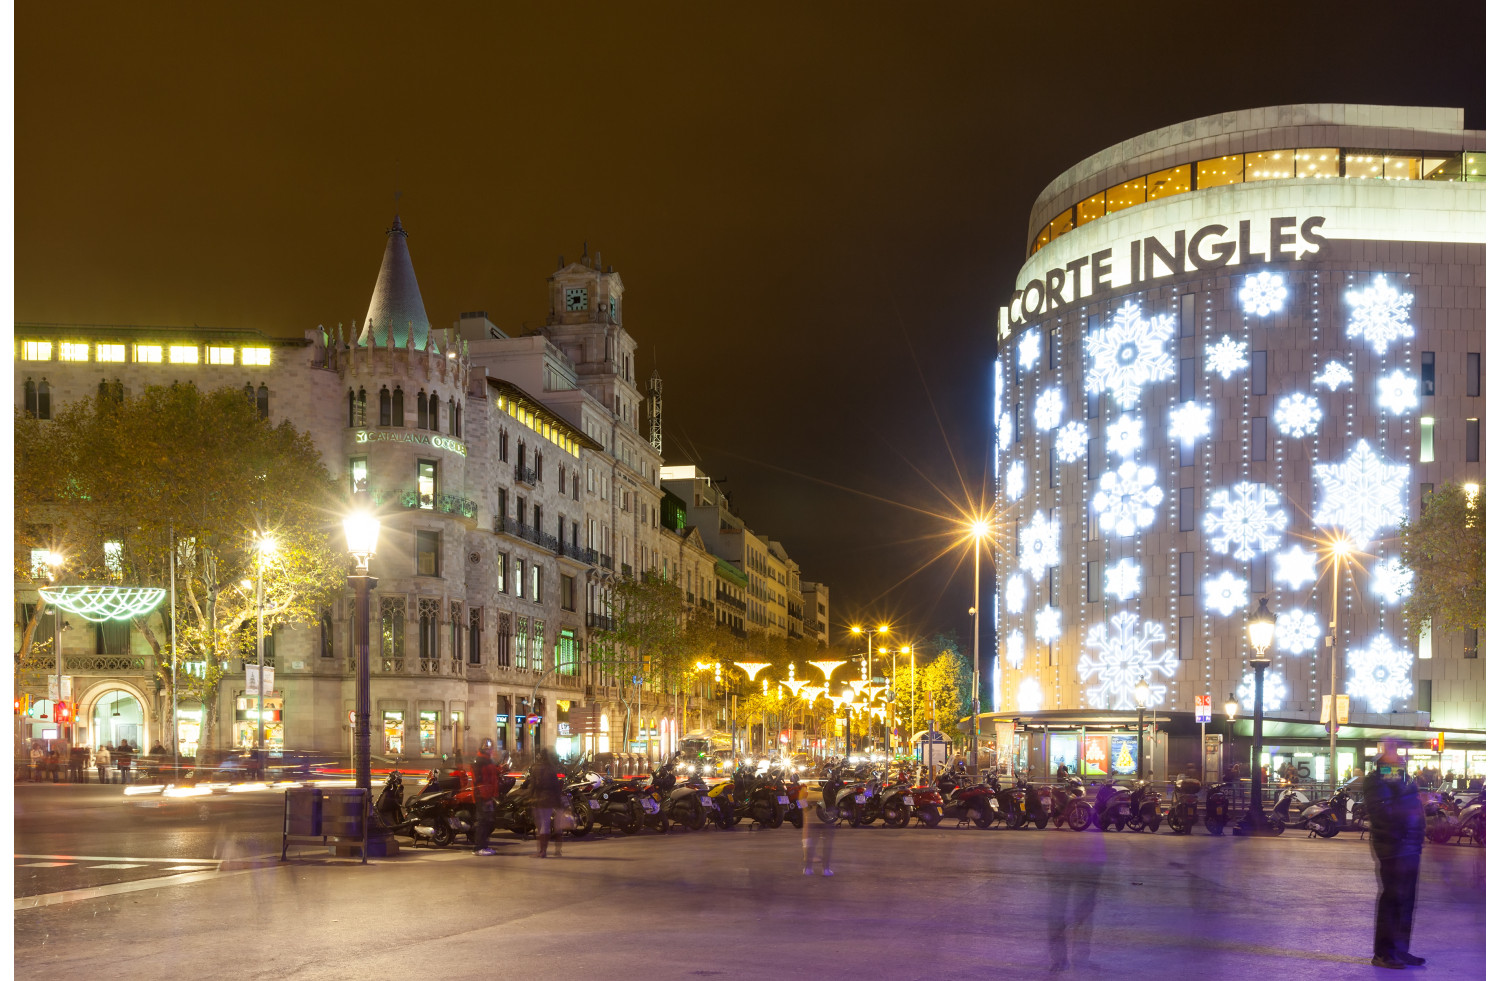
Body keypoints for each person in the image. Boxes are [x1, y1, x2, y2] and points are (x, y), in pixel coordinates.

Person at [1364, 738, 1427, 970]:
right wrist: (1411, 800)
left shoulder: (1402, 780)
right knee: (1392, 899)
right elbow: (1384, 812)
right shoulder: (1376, 781)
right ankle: (1384, 952)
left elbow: (1411, 806)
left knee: (1407, 900)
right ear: (1383, 759)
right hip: (1393, 847)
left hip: (1410, 846)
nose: (1401, 757)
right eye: (1395, 753)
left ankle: (1400, 950)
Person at [529, 749, 564, 858]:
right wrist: (558, 800)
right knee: (548, 825)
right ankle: (552, 850)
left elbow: (533, 785)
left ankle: (542, 851)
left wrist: (530, 797)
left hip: (538, 799)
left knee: (541, 826)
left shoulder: (535, 768)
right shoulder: (552, 769)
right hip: (550, 799)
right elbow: (556, 786)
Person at [470, 740, 501, 856]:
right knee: (483, 821)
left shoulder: (487, 760)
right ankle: (478, 847)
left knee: (489, 821)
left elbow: (491, 775)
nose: (492, 750)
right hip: (483, 796)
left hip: (487, 795)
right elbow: (481, 781)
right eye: (490, 748)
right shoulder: (481, 761)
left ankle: (483, 845)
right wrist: (487, 797)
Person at [798, 780, 833, 876]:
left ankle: (808, 869)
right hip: (827, 819)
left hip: (813, 819)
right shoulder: (830, 786)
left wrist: (808, 810)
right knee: (827, 845)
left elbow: (801, 800)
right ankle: (826, 869)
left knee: (812, 845)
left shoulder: (807, 787)